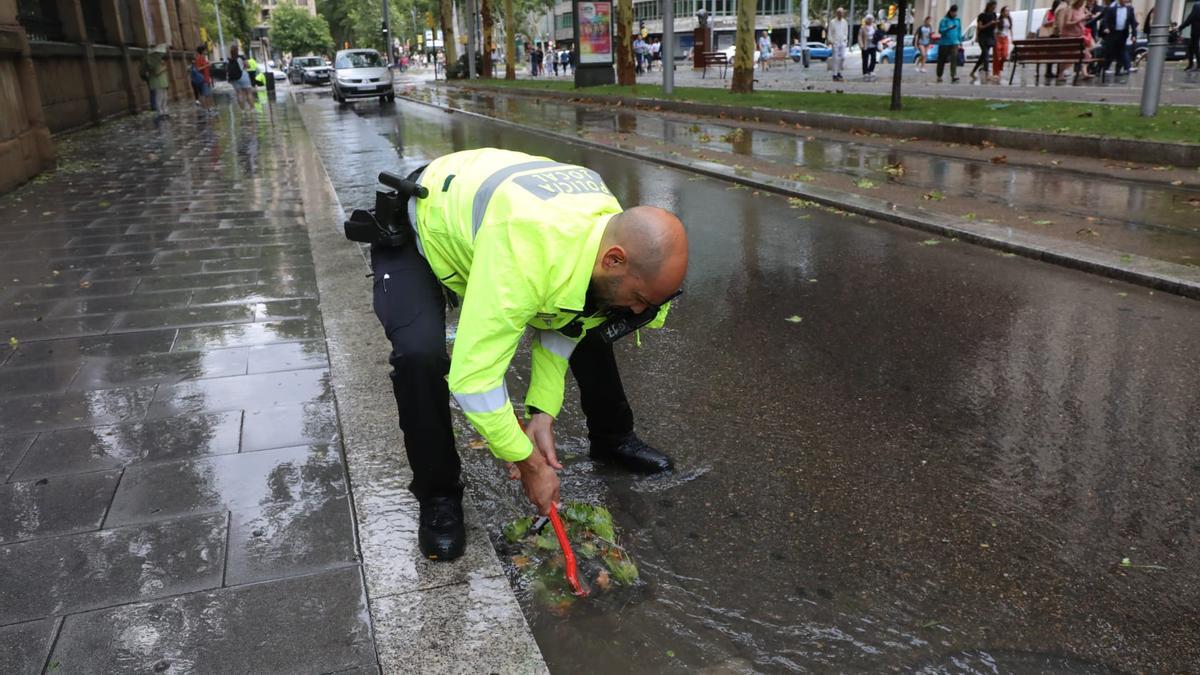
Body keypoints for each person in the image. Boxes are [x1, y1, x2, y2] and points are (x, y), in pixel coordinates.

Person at [367, 149, 688, 560]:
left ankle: (613, 439)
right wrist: (529, 464)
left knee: (602, 306)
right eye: (643, 298)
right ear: (614, 258)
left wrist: (543, 412)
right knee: (419, 356)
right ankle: (438, 497)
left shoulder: (608, 224)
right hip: (423, 227)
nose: (641, 310)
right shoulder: (525, 246)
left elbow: (567, 322)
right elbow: (475, 380)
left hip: (501, 228)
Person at [1055, 0, 1091, 82]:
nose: (1081, 4)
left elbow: (1085, 18)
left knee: (1086, 55)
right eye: (1080, 3)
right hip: (1069, 36)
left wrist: (1087, 17)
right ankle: (1060, 74)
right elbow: (1067, 23)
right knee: (1069, 57)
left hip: (1079, 35)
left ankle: (1084, 73)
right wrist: (1081, 19)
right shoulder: (1069, 9)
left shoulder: (1082, 9)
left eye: (1082, 3)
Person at [1100, 0, 1138, 76]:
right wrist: (1106, 28)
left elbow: (1133, 23)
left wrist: (1134, 35)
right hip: (1113, 33)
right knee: (1110, 51)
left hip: (1123, 33)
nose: (1125, 1)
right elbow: (1106, 20)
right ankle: (1104, 68)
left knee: (1121, 51)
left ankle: (1118, 70)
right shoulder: (1111, 9)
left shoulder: (1130, 9)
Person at [970, 1, 999, 82]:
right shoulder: (982, 16)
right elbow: (980, 27)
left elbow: (994, 27)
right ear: (988, 7)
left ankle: (972, 72)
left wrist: (996, 24)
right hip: (982, 37)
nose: (993, 9)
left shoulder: (994, 15)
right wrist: (990, 23)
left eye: (994, 8)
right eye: (992, 7)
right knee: (986, 54)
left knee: (983, 57)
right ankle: (987, 74)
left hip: (990, 37)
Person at [140, 44, 170, 119]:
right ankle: (161, 113)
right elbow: (156, 72)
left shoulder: (159, 59)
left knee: (164, 97)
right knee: (159, 97)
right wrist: (164, 68)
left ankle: (165, 112)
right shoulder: (150, 60)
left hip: (163, 81)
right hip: (157, 82)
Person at [936, 5, 963, 82]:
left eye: (956, 12)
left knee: (954, 58)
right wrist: (948, 28)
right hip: (944, 43)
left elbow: (959, 31)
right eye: (953, 12)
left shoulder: (957, 20)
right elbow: (940, 30)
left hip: (954, 42)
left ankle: (953, 75)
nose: (955, 14)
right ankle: (939, 75)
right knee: (942, 59)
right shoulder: (944, 20)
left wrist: (960, 41)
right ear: (950, 12)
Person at [228, 45, 253, 111]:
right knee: (248, 93)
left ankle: (242, 110)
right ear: (237, 50)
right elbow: (248, 66)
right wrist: (246, 66)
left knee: (239, 94)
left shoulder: (229, 59)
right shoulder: (241, 57)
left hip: (234, 78)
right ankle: (252, 108)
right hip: (243, 75)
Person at [192, 44, 215, 115]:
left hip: (206, 79)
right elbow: (198, 68)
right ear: (202, 51)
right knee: (206, 95)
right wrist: (207, 65)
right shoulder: (199, 58)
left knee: (207, 95)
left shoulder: (203, 58)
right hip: (203, 79)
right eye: (205, 49)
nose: (206, 51)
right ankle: (207, 110)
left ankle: (208, 109)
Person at [992, 6, 1013, 81]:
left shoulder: (1009, 20)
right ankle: (996, 73)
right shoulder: (999, 19)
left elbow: (1010, 29)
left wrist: (1012, 38)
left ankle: (999, 69)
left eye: (1008, 11)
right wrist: (996, 33)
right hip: (998, 37)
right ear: (1002, 12)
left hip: (1005, 38)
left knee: (1004, 55)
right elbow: (995, 29)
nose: (1007, 12)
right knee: (997, 56)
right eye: (1006, 11)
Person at [829, 7, 850, 81]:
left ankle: (839, 72)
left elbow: (846, 32)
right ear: (836, 13)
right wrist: (832, 41)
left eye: (842, 13)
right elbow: (830, 33)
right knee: (835, 59)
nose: (840, 14)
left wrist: (845, 41)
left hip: (842, 42)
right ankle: (835, 74)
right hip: (836, 42)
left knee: (843, 57)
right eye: (839, 13)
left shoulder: (845, 22)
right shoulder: (832, 22)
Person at [1183, 0, 1200, 71]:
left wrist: (1180, 27)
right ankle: (1193, 65)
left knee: (1194, 48)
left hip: (1196, 31)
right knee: (1192, 48)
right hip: (1196, 31)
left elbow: (1190, 19)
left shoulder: (1197, 5)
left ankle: (1194, 65)